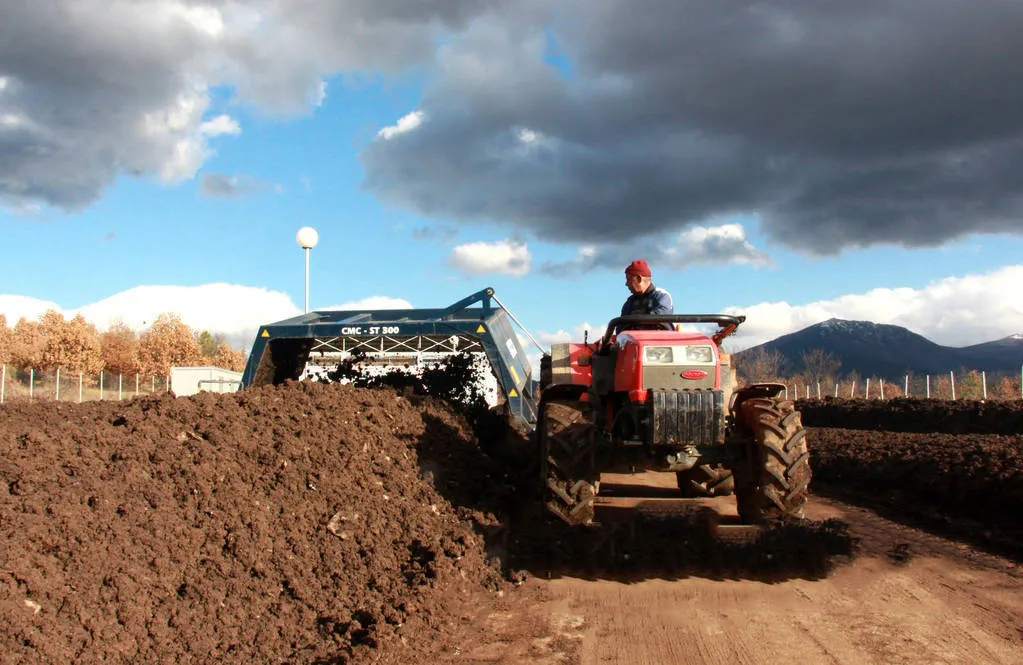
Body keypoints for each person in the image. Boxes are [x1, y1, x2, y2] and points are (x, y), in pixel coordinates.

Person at [616, 259, 674, 334]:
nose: (626, 284)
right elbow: (620, 328)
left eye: (629, 279)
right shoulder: (629, 302)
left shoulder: (662, 296)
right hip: (634, 343)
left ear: (639, 279)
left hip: (661, 342)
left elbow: (659, 318)